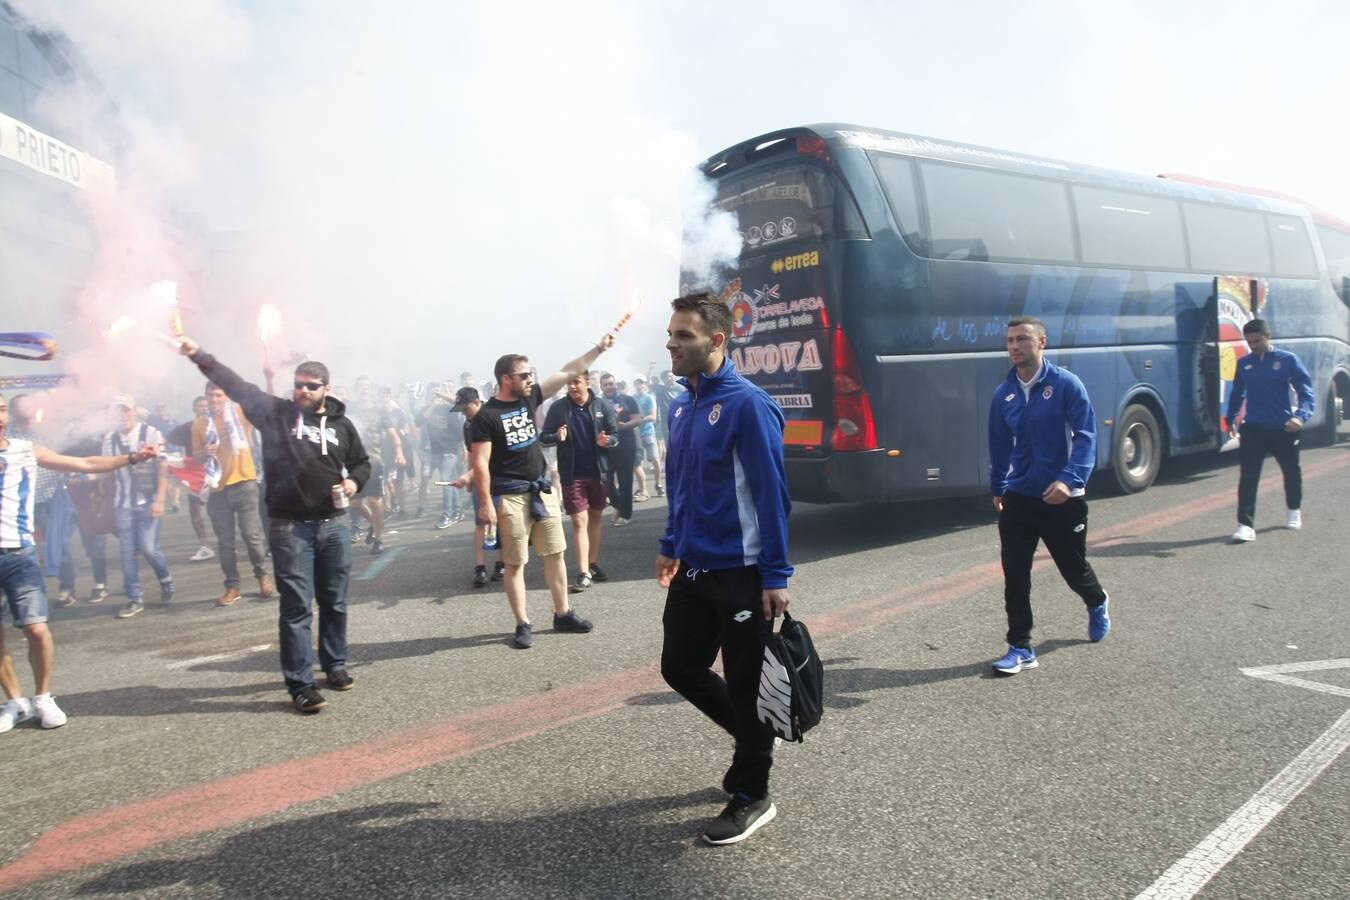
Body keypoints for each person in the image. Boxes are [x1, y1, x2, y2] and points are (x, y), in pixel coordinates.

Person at [656, 292, 793, 845]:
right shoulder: (681, 404)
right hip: (692, 566)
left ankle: (751, 795)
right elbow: (681, 485)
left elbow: (772, 494)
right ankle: (754, 739)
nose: (671, 344)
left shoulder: (747, 404)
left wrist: (776, 575)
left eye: (682, 336)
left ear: (716, 340)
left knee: (744, 685)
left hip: (741, 570)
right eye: (669, 335)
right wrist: (670, 542)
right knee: (679, 667)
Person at [177, 337, 371, 714]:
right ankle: (300, 684)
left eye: (310, 386)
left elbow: (362, 462)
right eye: (298, 384)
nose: (301, 390)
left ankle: (334, 664)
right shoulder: (277, 414)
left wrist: (353, 482)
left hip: (334, 525)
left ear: (325, 389)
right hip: (289, 528)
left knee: (335, 600)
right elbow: (234, 383)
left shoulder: (342, 425)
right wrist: (198, 354)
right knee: (297, 607)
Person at [0, 394, 159, 733]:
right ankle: (14, 702)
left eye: (0, 408)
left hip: (19, 554)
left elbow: (85, 463)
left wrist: (131, 457)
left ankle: (43, 696)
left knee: (36, 629)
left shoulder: (26, 450)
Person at [469, 336, 614, 649]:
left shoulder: (529, 398)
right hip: (510, 495)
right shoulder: (486, 417)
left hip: (541, 489)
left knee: (556, 554)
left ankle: (563, 613)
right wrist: (485, 504)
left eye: (531, 373)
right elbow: (480, 464)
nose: (530, 379)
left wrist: (599, 348)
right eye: (524, 375)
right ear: (505, 379)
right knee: (514, 563)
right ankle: (523, 623)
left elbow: (568, 370)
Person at [987, 316, 1110, 676]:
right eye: (1010, 340)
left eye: (1022, 339)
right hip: (1020, 497)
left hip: (1062, 499)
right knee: (1015, 575)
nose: (1014, 347)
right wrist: (998, 486)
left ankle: (1097, 600)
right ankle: (1020, 646)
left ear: (1042, 343)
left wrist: (1069, 480)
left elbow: (1087, 435)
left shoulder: (1066, 384)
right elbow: (997, 444)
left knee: (1073, 570)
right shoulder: (1003, 394)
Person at [1225, 318, 1315, 542]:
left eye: (1257, 340)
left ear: (1268, 336)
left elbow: (1305, 392)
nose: (1253, 345)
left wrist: (1300, 417)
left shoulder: (1287, 360)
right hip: (1254, 427)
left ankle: (1294, 509)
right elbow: (1237, 393)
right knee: (1248, 476)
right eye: (1249, 342)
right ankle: (1245, 525)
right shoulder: (1244, 363)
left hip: (1283, 428)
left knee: (1291, 471)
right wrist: (1231, 420)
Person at [195, 382, 273, 606]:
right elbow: (196, 456)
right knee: (225, 542)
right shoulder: (200, 424)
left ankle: (263, 577)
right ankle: (232, 586)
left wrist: (268, 376)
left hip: (245, 483)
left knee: (252, 536)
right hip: (218, 488)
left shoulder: (240, 412)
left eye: (219, 395)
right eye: (211, 396)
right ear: (206, 398)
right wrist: (204, 453)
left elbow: (265, 404)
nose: (215, 400)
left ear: (226, 396)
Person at [541, 371, 618, 593]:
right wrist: (556, 436)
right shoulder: (559, 409)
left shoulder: (602, 406)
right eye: (568, 384)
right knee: (578, 521)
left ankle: (592, 563)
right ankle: (584, 572)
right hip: (572, 474)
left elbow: (615, 435)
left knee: (595, 517)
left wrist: (609, 440)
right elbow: (543, 437)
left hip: (599, 472)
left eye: (576, 382)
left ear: (587, 382)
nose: (572, 387)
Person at [103, 396, 174, 619]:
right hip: (122, 504)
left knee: (148, 547)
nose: (123, 415)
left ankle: (165, 579)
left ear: (133, 411)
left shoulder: (151, 433)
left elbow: (163, 466)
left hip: (147, 501)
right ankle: (134, 598)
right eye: (118, 411)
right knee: (126, 553)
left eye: (126, 410)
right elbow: (106, 469)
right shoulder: (109, 440)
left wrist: (160, 500)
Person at [168, 397, 216, 561]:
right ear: (194, 409)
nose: (203, 408)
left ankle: (225, 542)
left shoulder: (218, 424)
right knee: (194, 511)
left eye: (205, 405)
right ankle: (204, 545)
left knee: (217, 510)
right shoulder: (187, 428)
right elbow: (167, 438)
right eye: (200, 406)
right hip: (195, 474)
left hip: (216, 472)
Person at [416, 382, 465, 528]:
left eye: (438, 392)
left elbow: (458, 429)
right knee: (444, 481)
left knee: (445, 480)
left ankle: (447, 515)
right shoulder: (426, 409)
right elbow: (418, 422)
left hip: (449, 450)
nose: (435, 395)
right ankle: (457, 511)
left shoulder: (449, 409)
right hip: (433, 452)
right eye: (433, 392)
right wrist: (432, 406)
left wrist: (463, 448)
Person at [599, 373, 640, 526]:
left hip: (626, 444)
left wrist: (625, 426)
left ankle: (625, 515)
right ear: (602, 386)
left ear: (615, 384)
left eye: (611, 383)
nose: (609, 387)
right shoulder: (598, 403)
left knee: (625, 481)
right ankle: (618, 506)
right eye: (605, 384)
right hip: (606, 446)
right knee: (606, 482)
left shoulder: (627, 399)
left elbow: (637, 419)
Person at [632, 374, 662, 498]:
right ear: (634, 384)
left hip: (648, 433)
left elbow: (653, 417)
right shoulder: (631, 399)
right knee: (637, 463)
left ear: (645, 384)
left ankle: (658, 483)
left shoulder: (649, 398)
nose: (640, 385)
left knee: (655, 459)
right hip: (635, 435)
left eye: (642, 382)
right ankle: (642, 489)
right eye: (637, 382)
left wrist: (639, 419)